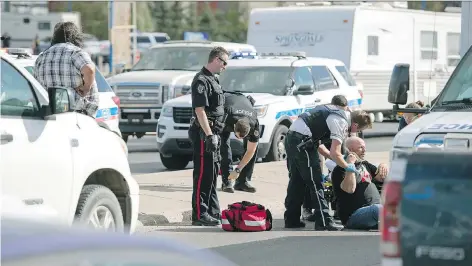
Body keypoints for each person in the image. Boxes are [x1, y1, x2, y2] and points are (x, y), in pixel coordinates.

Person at [284, 102, 372, 230]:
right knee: (316, 182)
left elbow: (320, 147)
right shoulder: (340, 122)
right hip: (302, 141)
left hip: (293, 138)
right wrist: (348, 166)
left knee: (297, 180)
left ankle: (291, 219)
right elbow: (335, 152)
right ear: (355, 124)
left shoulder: (334, 112)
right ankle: (324, 222)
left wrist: (337, 159)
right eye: (357, 130)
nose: (355, 132)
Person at [189, 46, 230, 226]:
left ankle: (212, 211)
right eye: (224, 63)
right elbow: (200, 110)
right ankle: (199, 214)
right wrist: (209, 135)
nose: (225, 67)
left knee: (213, 175)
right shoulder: (201, 80)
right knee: (203, 174)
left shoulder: (213, 80)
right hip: (204, 134)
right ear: (216, 60)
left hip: (214, 133)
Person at [34, 22, 98, 117]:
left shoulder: (41, 57)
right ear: (76, 37)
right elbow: (89, 70)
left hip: (49, 116)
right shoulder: (75, 52)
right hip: (77, 115)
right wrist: (86, 88)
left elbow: (36, 86)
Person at [302, 95, 349, 221]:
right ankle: (307, 208)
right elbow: (318, 143)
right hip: (320, 141)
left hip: (335, 141)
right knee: (314, 174)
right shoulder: (327, 113)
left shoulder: (345, 116)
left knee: (337, 174)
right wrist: (330, 155)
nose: (341, 112)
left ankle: (336, 207)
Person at [331, 136, 387, 230]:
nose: (364, 150)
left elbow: (380, 177)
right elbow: (350, 189)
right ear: (350, 150)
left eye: (364, 147)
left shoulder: (364, 165)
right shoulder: (340, 170)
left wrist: (383, 165)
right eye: (361, 147)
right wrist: (350, 166)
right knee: (377, 209)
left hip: (373, 212)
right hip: (353, 216)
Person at [220, 92, 259, 193]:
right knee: (223, 146)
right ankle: (227, 181)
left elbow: (251, 151)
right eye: (238, 136)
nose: (240, 139)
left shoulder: (254, 123)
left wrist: (238, 169)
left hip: (242, 102)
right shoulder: (227, 116)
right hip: (227, 102)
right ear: (234, 128)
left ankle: (242, 181)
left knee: (252, 148)